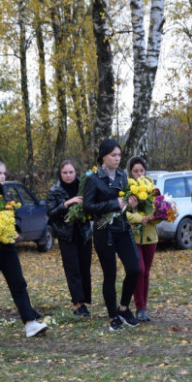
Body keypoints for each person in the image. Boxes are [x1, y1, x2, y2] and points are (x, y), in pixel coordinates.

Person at [0, 160, 48, 341]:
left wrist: (14, 229)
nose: (3, 177)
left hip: (8, 247)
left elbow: (16, 218)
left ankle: (30, 323)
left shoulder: (6, 196)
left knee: (18, 282)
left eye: (5, 173)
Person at [83, 139, 140, 331]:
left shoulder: (123, 176)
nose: (117, 159)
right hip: (103, 229)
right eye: (113, 155)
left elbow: (126, 201)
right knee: (110, 274)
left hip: (122, 228)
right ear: (103, 157)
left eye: (119, 155)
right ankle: (113, 315)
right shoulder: (93, 179)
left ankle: (123, 308)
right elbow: (88, 207)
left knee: (135, 268)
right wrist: (114, 204)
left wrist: (133, 203)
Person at [46, 160, 93, 317]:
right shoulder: (54, 190)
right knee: (73, 269)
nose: (68, 175)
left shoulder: (84, 186)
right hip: (67, 235)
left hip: (84, 233)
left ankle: (84, 302)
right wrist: (66, 203)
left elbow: (94, 206)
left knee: (84, 268)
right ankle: (77, 304)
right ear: (60, 174)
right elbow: (51, 214)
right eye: (65, 173)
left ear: (76, 172)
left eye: (71, 172)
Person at [125, 156, 159, 322]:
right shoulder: (127, 190)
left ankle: (144, 307)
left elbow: (160, 213)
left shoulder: (153, 189)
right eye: (135, 171)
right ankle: (140, 307)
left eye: (141, 170)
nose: (139, 174)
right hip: (133, 236)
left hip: (150, 236)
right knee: (139, 270)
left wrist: (155, 217)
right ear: (131, 172)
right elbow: (125, 214)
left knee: (146, 272)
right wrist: (140, 217)